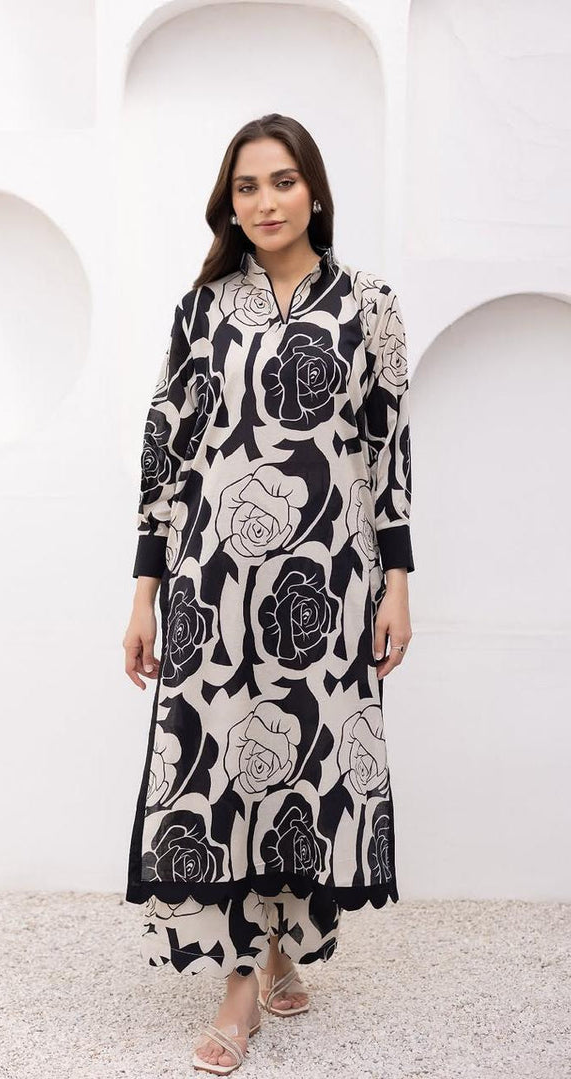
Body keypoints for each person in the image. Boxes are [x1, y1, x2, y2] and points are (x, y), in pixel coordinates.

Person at [122, 112, 414, 1075]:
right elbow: (166, 454)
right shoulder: (203, 308)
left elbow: (387, 452)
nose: (265, 202)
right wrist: (145, 592)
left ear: (314, 191)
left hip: (331, 581)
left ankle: (282, 941)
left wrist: (397, 585)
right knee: (224, 772)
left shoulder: (369, 303)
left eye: (282, 181)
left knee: (299, 767)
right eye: (246, 187)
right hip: (215, 581)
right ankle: (242, 980)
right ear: (229, 202)